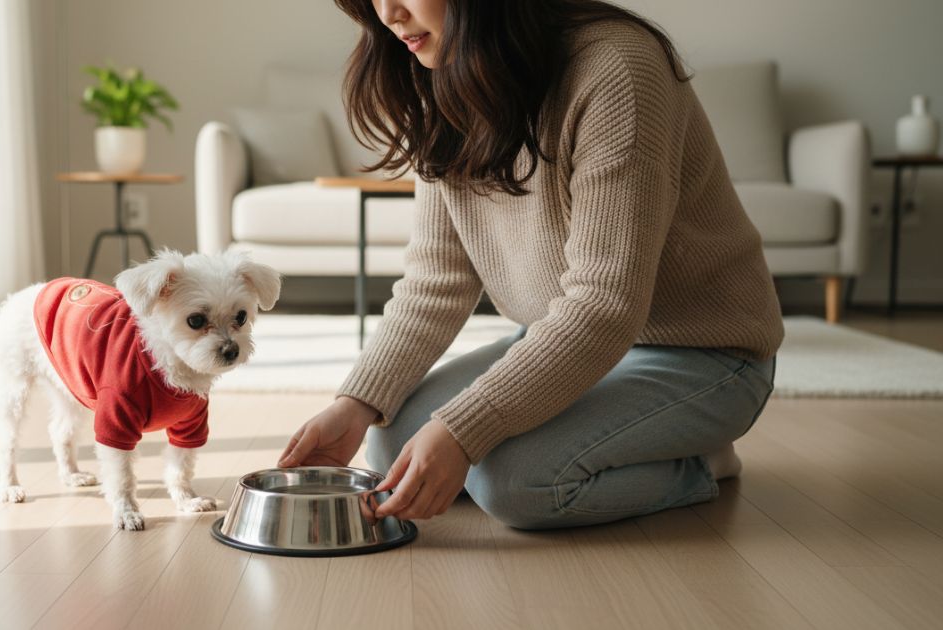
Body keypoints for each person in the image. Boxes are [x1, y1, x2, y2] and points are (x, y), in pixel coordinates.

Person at [277, 0, 783, 529]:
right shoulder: (438, 72)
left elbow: (604, 305)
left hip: (704, 354)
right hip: (567, 340)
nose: (388, 14)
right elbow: (435, 283)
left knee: (515, 483)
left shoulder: (619, 68)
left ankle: (700, 464)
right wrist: (356, 402)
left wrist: (463, 432)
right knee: (388, 443)